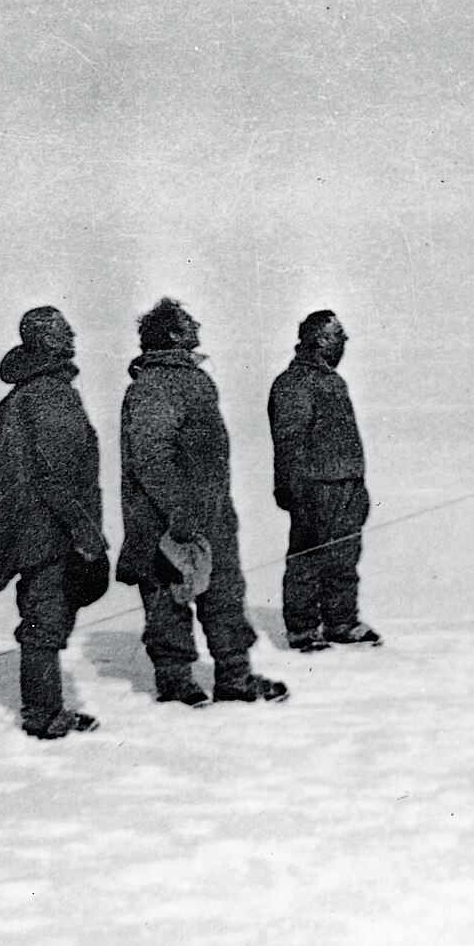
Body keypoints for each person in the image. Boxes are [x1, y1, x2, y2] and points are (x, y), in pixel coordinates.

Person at [115, 298, 288, 706]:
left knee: (225, 593)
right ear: (173, 333)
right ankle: (175, 683)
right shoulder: (152, 385)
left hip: (210, 515)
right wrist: (179, 511)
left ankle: (235, 677)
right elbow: (152, 455)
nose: (198, 324)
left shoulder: (195, 381)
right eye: (189, 321)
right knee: (167, 599)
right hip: (163, 520)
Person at [0, 307, 106, 739]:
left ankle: (46, 708)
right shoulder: (51, 395)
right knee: (45, 622)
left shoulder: (23, 395)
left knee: (44, 618)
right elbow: (56, 477)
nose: (72, 333)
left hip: (32, 531)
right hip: (50, 533)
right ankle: (43, 715)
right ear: (45, 340)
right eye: (63, 329)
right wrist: (86, 533)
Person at [267, 310, 381, 652]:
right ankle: (302, 629)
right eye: (338, 335)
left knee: (344, 556)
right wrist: (294, 489)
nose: (344, 343)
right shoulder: (294, 383)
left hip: (345, 484)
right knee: (308, 557)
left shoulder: (333, 380)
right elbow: (289, 440)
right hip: (313, 486)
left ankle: (341, 621)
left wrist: (356, 484)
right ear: (320, 339)